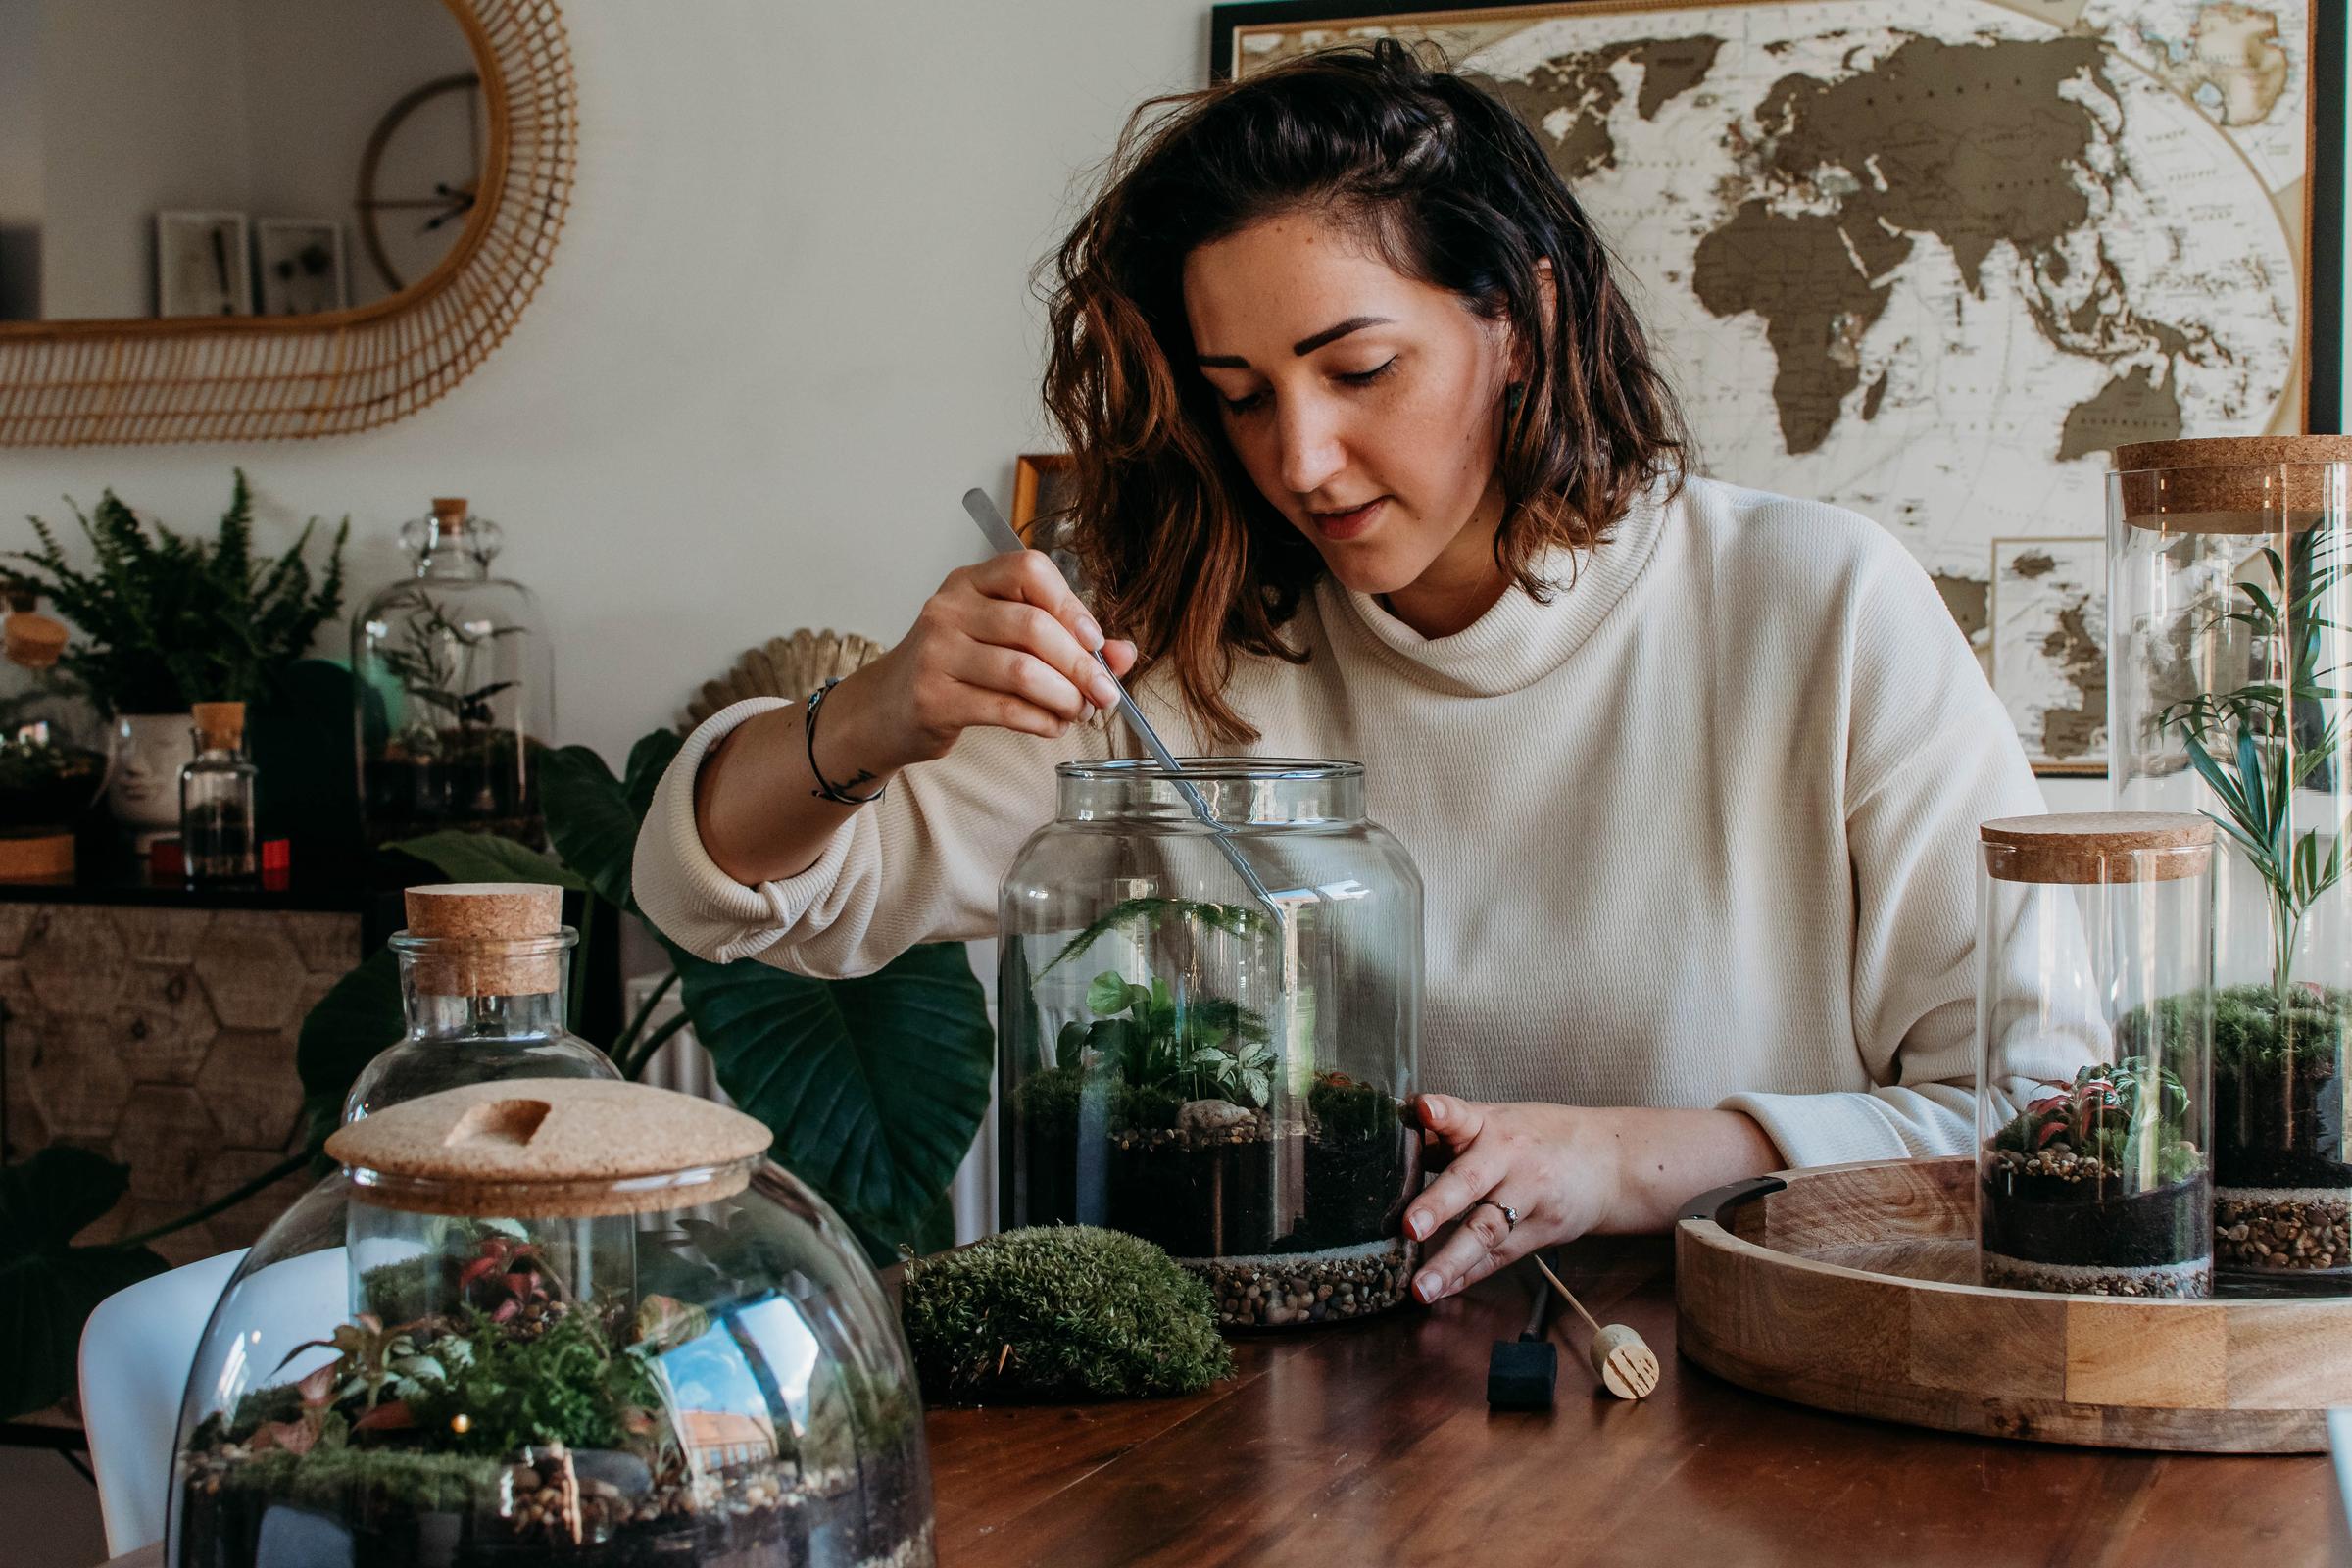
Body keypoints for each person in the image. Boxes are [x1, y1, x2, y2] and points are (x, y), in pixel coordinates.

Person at [634, 41, 2044, 1308]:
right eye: (1242, 395)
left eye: (1358, 368)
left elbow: (2042, 1116)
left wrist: (1628, 1162)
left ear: (1523, 323)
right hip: (1292, 1439)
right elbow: (719, 890)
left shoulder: (1815, 607)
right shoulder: (1181, 656)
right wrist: (877, 714)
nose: (1297, 460)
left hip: (1747, 1415)